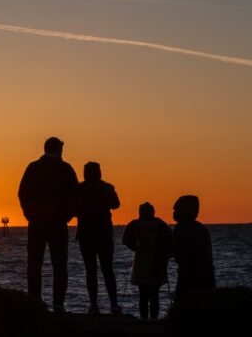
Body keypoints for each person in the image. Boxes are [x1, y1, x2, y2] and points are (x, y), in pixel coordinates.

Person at [18, 136, 79, 313]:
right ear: (60, 150)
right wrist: (67, 216)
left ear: (45, 149)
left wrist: (29, 214)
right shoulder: (66, 169)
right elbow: (75, 195)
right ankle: (58, 304)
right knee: (59, 265)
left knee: (34, 263)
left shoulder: (33, 168)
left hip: (37, 223)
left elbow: (22, 193)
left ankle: (34, 301)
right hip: (58, 223)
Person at [76, 161, 121, 315]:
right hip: (104, 233)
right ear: (99, 173)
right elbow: (116, 204)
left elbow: (74, 208)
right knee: (107, 269)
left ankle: (94, 305)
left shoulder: (79, 189)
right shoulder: (107, 188)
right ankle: (114, 305)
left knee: (91, 270)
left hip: (86, 234)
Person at [122, 202, 172, 319]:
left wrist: (136, 247)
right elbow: (170, 241)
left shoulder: (135, 224)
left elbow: (126, 240)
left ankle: (144, 319)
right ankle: (153, 319)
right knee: (154, 295)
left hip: (142, 261)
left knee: (143, 295)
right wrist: (166, 256)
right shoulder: (161, 224)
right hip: (157, 262)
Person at [172, 195, 215, 295]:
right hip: (206, 275)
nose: (174, 212)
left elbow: (179, 255)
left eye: (176, 209)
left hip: (188, 275)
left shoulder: (180, 228)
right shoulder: (201, 228)